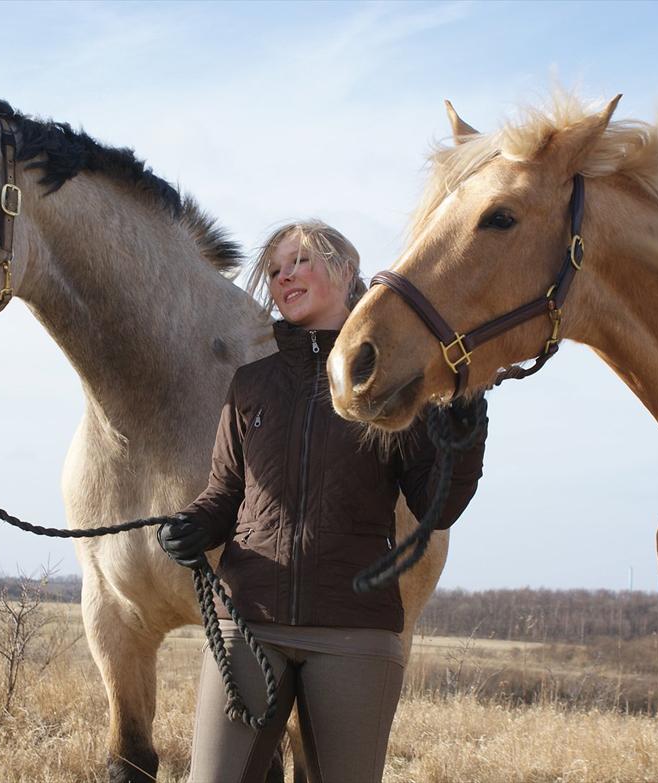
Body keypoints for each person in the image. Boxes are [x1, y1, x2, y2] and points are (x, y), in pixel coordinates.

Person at [158, 220, 487, 783]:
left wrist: (465, 431)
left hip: (354, 632)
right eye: (275, 270)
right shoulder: (251, 385)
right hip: (249, 624)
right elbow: (224, 494)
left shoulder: (390, 384)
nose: (284, 277)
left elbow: (438, 504)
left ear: (345, 269)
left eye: (299, 261)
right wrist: (190, 525)